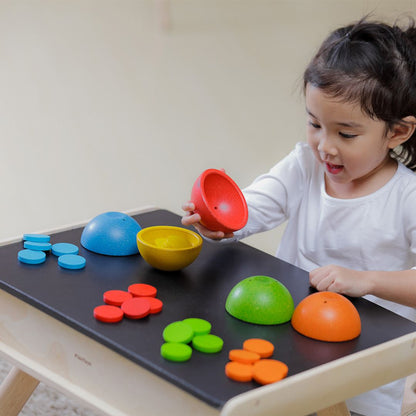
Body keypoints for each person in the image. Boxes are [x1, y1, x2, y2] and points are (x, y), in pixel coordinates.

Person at [182, 17, 416, 416]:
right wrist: (219, 221)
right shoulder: (305, 165)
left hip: (366, 373)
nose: (325, 146)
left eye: (346, 134)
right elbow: (252, 207)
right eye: (314, 124)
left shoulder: (407, 197)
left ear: (396, 133)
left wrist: (366, 280)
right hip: (291, 348)